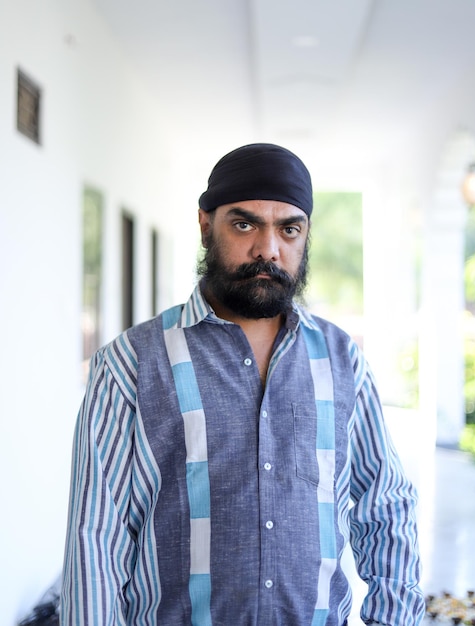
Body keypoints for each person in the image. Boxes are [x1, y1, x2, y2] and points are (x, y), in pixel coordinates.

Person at [60, 143, 425, 626]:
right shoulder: (129, 364)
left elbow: (387, 504)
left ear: (306, 235)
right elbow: (95, 539)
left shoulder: (342, 361)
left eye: (288, 229)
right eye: (245, 223)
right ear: (205, 224)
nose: (268, 249)